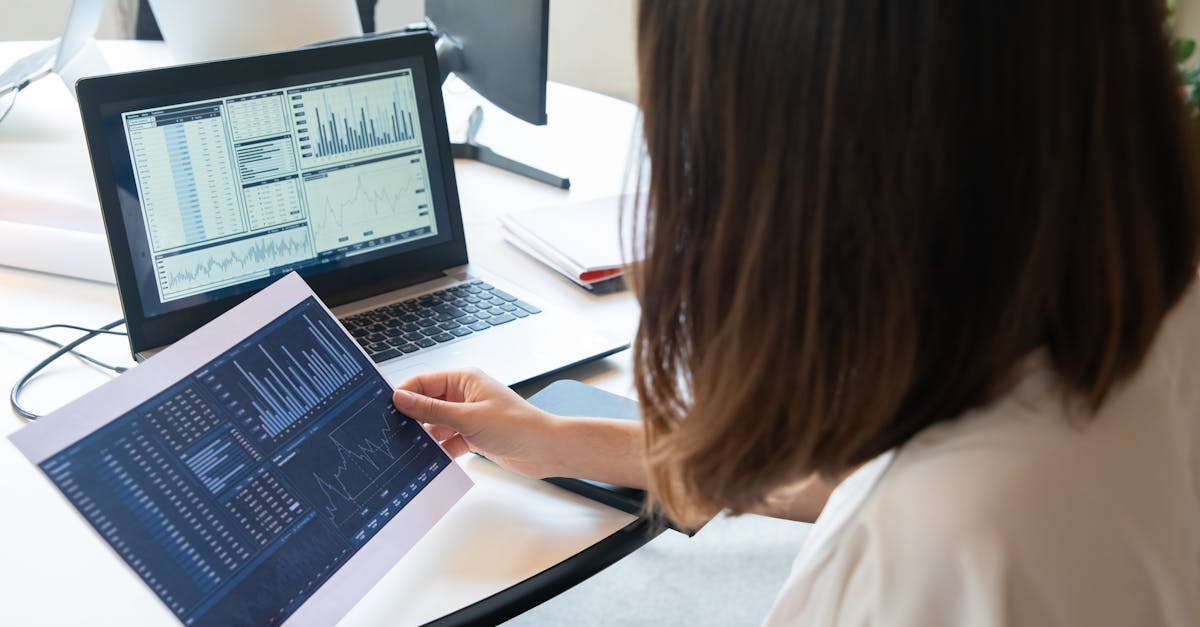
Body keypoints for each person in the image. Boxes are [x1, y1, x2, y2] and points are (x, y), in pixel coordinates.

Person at [391, 0, 1200, 623]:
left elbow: (891, 498)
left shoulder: (932, 553)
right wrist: (560, 441)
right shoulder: (1148, 312)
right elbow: (854, 471)